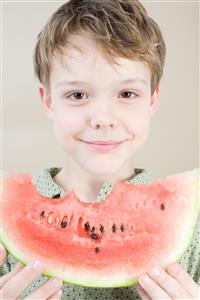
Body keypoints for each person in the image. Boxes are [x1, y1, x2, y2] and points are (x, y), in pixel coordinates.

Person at [1, 0, 199, 299]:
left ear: (152, 100)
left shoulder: (193, 229)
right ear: (48, 100)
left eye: (127, 93)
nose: (103, 119)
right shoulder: (4, 223)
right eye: (78, 94)